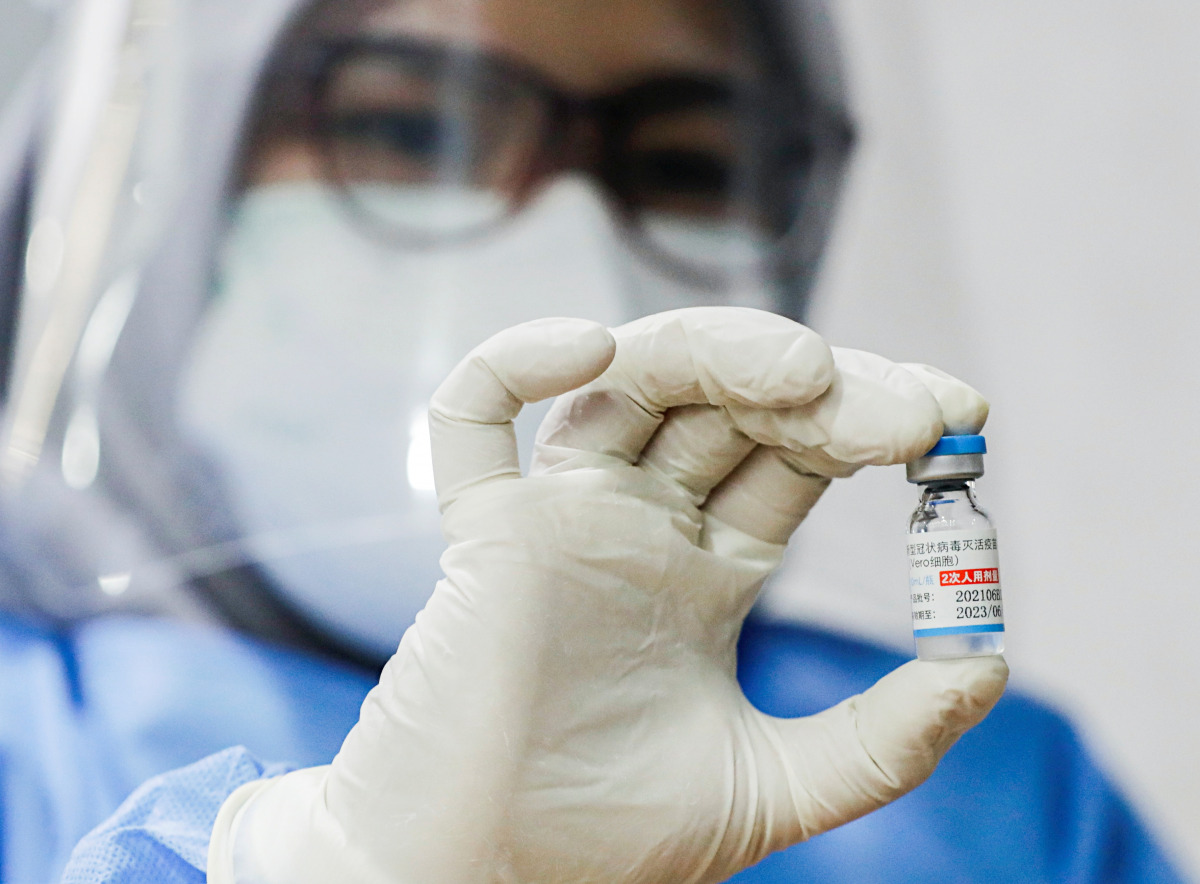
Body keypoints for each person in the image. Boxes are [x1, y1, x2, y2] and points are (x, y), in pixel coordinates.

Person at [0, 0, 1182, 880]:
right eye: (412, 130)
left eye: (683, 161)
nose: (567, 230)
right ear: (176, 172)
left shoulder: (995, 801)